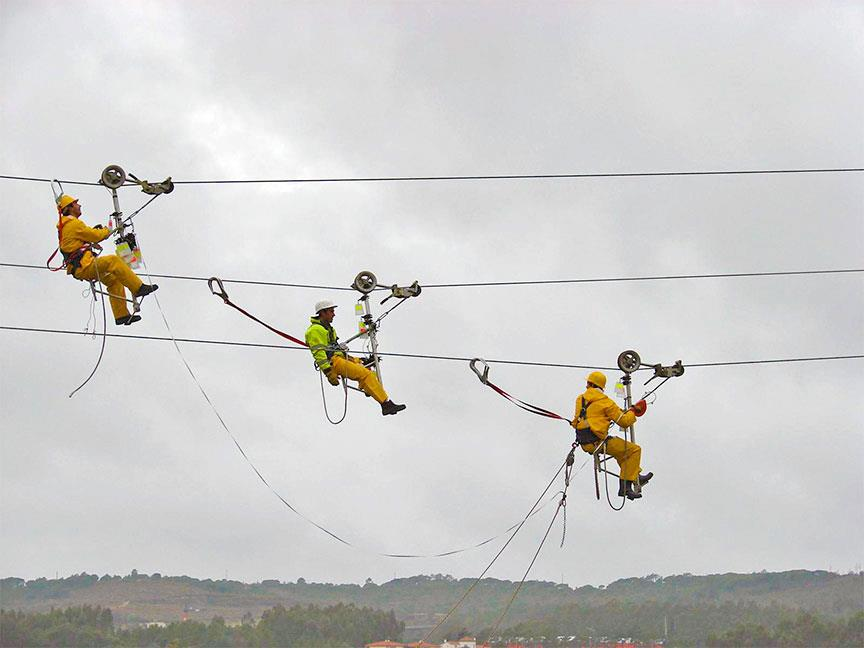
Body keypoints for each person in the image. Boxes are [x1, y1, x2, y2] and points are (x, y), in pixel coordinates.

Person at [55, 194, 158, 325]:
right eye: (76, 203)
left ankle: (121, 315)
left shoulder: (67, 225)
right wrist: (106, 230)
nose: (79, 205)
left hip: (82, 266)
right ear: (69, 207)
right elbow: (96, 236)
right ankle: (138, 288)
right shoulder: (72, 224)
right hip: (85, 266)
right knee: (113, 261)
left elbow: (81, 238)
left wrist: (91, 236)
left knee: (114, 280)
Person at [305, 300, 406, 416]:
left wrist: (361, 360)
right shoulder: (315, 330)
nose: (334, 314)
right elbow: (319, 353)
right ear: (322, 312)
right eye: (331, 311)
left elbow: (338, 351)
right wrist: (328, 372)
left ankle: (371, 390)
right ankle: (386, 405)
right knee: (365, 375)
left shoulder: (328, 329)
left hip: (338, 359)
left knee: (370, 372)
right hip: (333, 362)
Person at [571, 370, 653, 499]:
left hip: (585, 442)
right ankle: (625, 488)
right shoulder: (606, 402)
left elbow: (578, 420)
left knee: (622, 451)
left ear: (589, 383)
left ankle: (636, 476)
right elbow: (624, 422)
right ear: (601, 386)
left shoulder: (580, 399)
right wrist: (632, 412)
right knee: (634, 450)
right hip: (598, 441)